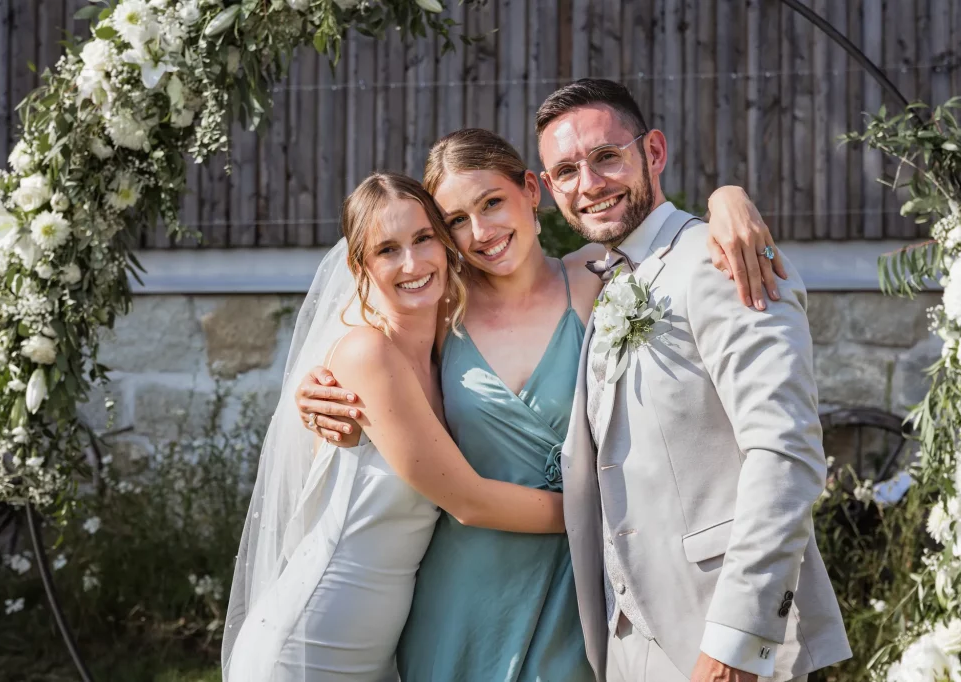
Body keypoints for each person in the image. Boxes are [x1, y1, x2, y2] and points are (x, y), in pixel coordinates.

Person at [294, 127, 783, 679]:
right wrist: (314, 395)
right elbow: (363, 357)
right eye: (456, 221)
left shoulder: (596, 278)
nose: (481, 232)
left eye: (492, 203)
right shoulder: (439, 308)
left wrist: (728, 198)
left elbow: (665, 235)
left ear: (532, 189)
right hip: (464, 589)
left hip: (577, 587)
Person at [535, 80, 852, 681]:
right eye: (567, 171)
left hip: (722, 641)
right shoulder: (602, 281)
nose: (590, 184)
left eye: (607, 156)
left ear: (653, 152)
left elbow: (786, 453)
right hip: (631, 648)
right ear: (549, 188)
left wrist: (736, 643)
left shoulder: (724, 257)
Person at [222, 172, 571, 682]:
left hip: (382, 646)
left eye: (423, 238)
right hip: (313, 639)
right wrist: (598, 511)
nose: (412, 263)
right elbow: (467, 501)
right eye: (387, 250)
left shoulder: (443, 346)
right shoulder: (368, 353)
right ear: (359, 266)